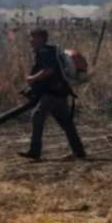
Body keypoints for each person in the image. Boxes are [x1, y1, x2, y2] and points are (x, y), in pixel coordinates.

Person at [17, 28, 86, 162]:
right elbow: (48, 75)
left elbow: (48, 70)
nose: (30, 40)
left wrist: (32, 79)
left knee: (37, 114)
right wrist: (31, 88)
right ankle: (79, 151)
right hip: (59, 92)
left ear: (41, 39)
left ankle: (35, 151)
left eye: (33, 37)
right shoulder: (47, 52)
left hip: (53, 93)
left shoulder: (46, 52)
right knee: (66, 123)